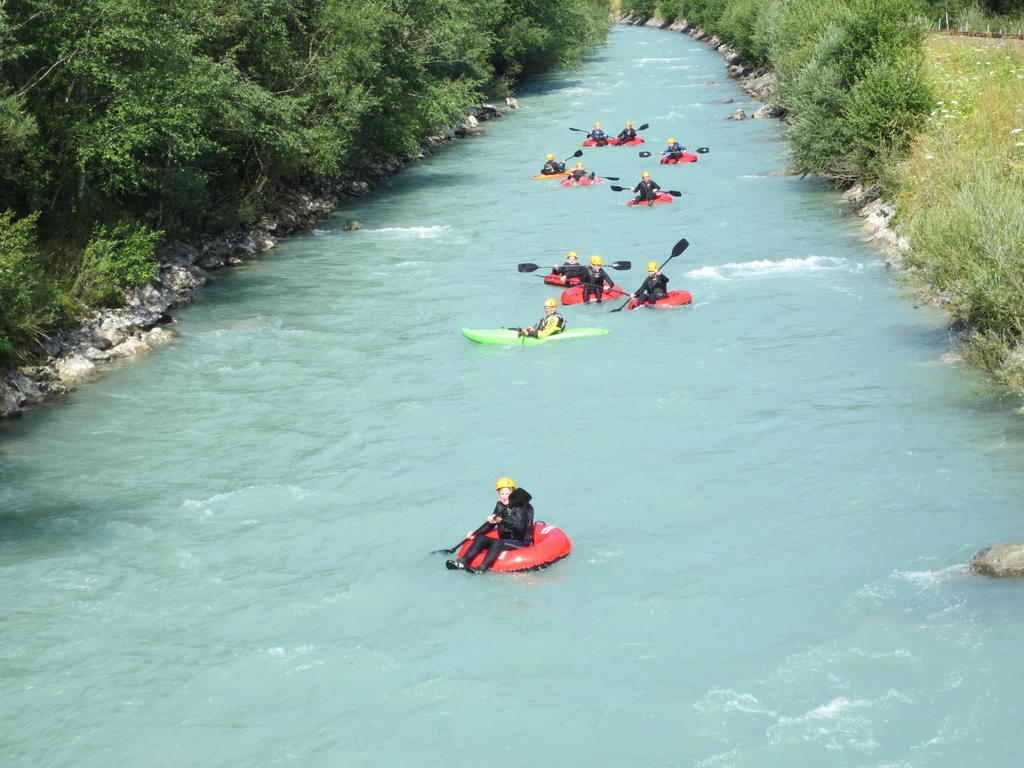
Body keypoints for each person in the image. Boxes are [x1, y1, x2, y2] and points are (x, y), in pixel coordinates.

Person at [447, 478, 535, 573]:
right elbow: (490, 525)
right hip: (504, 541)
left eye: (507, 494)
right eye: (502, 493)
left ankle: (482, 568)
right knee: (480, 538)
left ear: (513, 494)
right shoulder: (500, 506)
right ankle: (461, 562)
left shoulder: (521, 507)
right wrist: (475, 533)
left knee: (498, 542)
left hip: (521, 543)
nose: (504, 497)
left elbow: (520, 526)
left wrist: (500, 520)